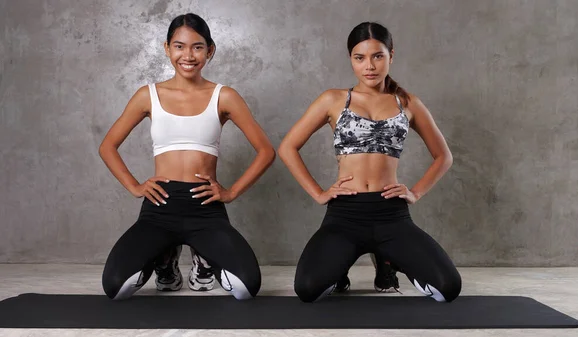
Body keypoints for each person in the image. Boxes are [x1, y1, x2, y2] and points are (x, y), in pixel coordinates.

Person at [278, 22, 462, 303]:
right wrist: (319, 193)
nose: (370, 66)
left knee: (448, 288)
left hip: (392, 214)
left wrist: (415, 192)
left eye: (378, 56)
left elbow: (443, 156)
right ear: (351, 59)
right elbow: (288, 147)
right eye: (359, 57)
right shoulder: (333, 99)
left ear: (391, 56)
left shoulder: (407, 103)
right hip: (345, 215)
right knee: (307, 290)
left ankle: (388, 259)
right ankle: (342, 264)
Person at [98, 13, 275, 300]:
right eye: (179, 46)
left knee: (247, 289)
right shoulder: (148, 95)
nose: (188, 55)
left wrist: (230, 192)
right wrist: (135, 186)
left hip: (205, 207)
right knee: (116, 288)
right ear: (167, 48)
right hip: (159, 205)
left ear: (210, 50)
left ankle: (204, 259)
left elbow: (266, 151)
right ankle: (163, 258)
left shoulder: (224, 96)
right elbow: (108, 146)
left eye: (197, 47)